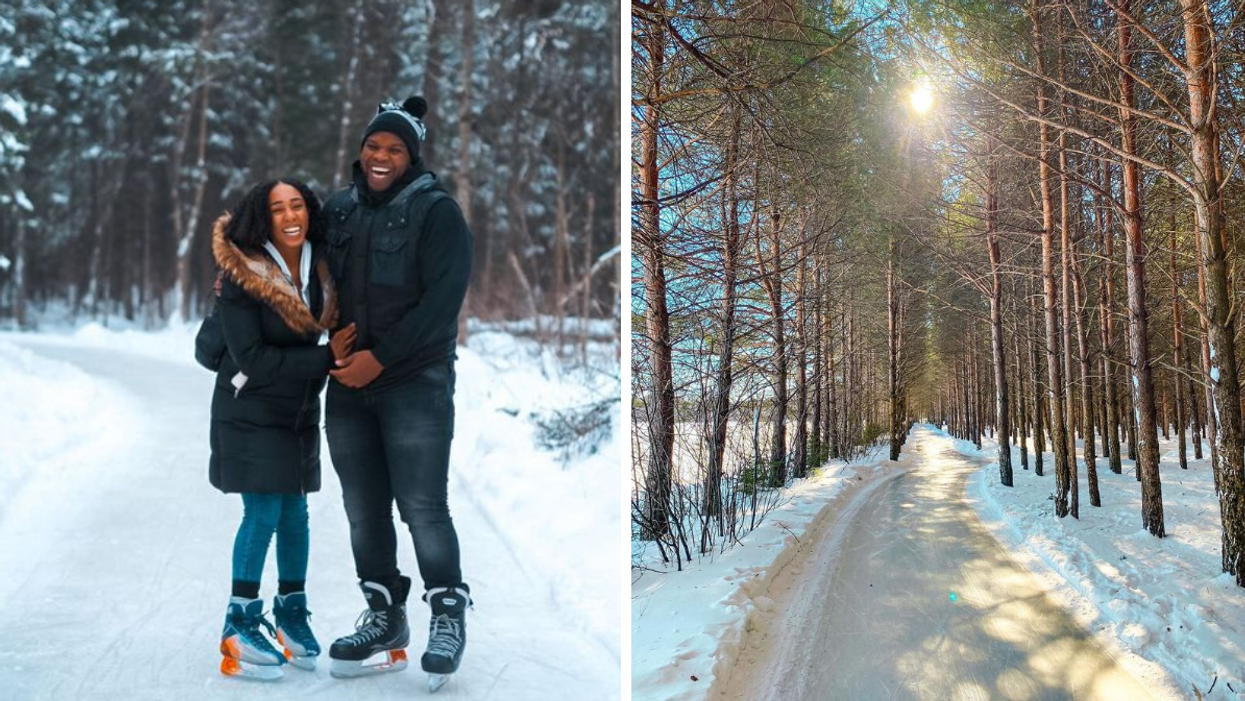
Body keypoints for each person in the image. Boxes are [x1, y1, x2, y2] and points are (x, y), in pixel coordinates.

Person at [319, 96, 473, 692]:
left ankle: (447, 616)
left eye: (394, 149)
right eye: (373, 146)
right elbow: (305, 270)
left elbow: (441, 305)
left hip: (416, 382)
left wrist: (378, 359)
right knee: (363, 510)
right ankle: (385, 616)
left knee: (423, 508)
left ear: (412, 157)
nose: (381, 157)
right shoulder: (338, 211)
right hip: (348, 385)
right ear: (361, 151)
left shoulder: (437, 214)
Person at [206, 179, 357, 681]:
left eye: (297, 205)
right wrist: (325, 358)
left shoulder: (321, 264)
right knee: (264, 509)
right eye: (277, 208)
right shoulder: (241, 272)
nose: (289, 215)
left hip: (295, 408)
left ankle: (291, 611)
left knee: (296, 512)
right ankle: (239, 619)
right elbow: (250, 356)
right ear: (261, 218)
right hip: (248, 405)